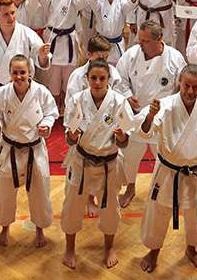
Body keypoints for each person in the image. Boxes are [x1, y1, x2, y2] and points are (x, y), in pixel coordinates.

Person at [137, 65, 197, 273]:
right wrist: (150, 116)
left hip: (196, 173)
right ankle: (154, 251)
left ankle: (192, 250)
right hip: (168, 172)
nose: (190, 91)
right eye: (187, 85)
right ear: (179, 82)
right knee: (158, 212)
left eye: (195, 87)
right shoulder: (165, 106)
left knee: (196, 213)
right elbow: (146, 132)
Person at [60, 60, 132, 269]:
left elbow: (125, 141)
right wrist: (72, 136)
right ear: (87, 79)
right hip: (82, 160)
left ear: (109, 79)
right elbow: (69, 140)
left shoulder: (119, 102)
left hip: (108, 163)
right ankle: (70, 248)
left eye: (102, 78)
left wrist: (121, 137)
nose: (98, 82)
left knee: (110, 209)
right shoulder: (77, 100)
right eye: (94, 78)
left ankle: (109, 246)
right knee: (72, 206)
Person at [0, 54, 59, 247]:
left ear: (30, 73)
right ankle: (4, 228)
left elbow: (52, 113)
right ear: (9, 73)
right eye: (15, 73)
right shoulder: (1, 93)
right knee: (4, 191)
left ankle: (40, 230)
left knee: (40, 190)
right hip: (10, 147)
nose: (19, 76)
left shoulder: (41, 92)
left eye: (23, 72)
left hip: (34, 149)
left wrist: (46, 125)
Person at [116, 20, 187, 207]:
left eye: (145, 41)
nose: (140, 43)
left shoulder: (175, 58)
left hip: (162, 119)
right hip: (135, 115)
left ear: (159, 39)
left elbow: (182, 87)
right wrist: (127, 96)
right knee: (130, 157)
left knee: (163, 158)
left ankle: (163, 191)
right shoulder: (131, 55)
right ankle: (130, 188)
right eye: (140, 39)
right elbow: (119, 79)